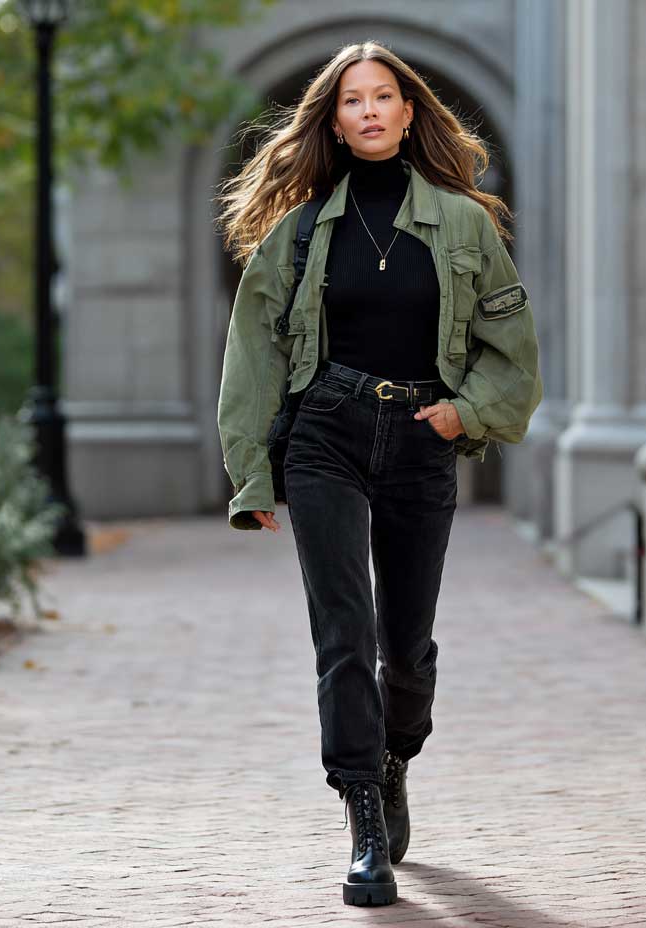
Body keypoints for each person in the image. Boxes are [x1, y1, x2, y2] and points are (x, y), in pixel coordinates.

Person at [214, 39, 542, 907]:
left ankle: (396, 761)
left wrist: (462, 413)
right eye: (350, 100)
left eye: (382, 96)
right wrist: (253, 474)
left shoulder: (466, 224)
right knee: (343, 637)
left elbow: (513, 354)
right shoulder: (298, 231)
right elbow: (252, 357)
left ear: (407, 113)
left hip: (422, 438)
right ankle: (363, 819)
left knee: (407, 646)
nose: (367, 110)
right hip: (327, 431)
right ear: (333, 119)